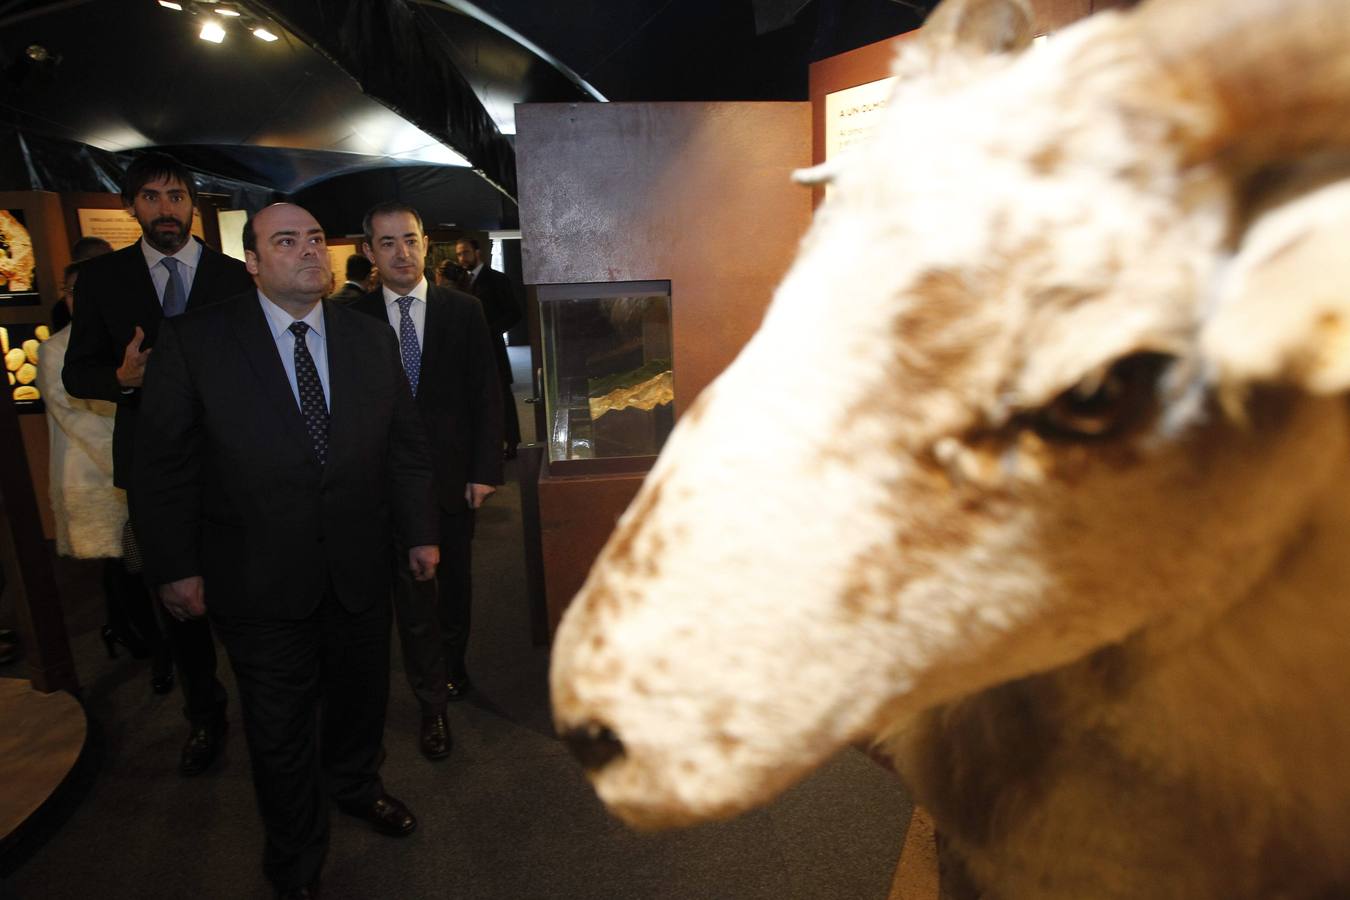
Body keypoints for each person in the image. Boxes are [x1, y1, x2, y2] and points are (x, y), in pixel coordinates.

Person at [134, 202, 439, 900]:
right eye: (285, 241)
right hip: (256, 579)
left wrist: (421, 531)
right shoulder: (197, 341)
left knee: (362, 699)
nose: (308, 252)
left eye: (313, 240)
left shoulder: (368, 340)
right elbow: (163, 467)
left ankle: (358, 786)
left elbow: (406, 447)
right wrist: (176, 566)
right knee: (278, 728)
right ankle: (295, 860)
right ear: (252, 263)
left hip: (360, 569)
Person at [63, 151, 254, 775]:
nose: (165, 209)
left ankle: (267, 707)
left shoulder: (233, 278)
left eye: (175, 197)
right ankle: (204, 715)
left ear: (191, 205)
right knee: (177, 597)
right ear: (131, 207)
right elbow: (76, 371)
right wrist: (119, 377)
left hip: (231, 461)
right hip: (151, 464)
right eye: (151, 197)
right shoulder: (103, 280)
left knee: (245, 588)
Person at [356, 203, 502, 753]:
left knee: (454, 586)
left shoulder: (462, 311)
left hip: (451, 478)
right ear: (369, 252)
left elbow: (486, 394)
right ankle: (430, 701)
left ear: (425, 245)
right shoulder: (352, 320)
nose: (402, 252)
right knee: (410, 594)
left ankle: (452, 664)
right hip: (382, 484)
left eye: (410, 240)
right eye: (387, 242)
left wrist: (485, 470)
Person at [38, 261, 171, 692]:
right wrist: (142, 463)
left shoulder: (125, 339)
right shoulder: (56, 350)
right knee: (124, 568)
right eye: (73, 291)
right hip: (98, 477)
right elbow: (78, 419)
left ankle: (139, 635)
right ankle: (147, 645)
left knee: (142, 565)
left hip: (138, 470)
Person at [455, 237, 522, 458]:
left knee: (502, 397)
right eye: (458, 254)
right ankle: (487, 447)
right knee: (477, 400)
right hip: (468, 353)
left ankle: (512, 443)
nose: (462, 258)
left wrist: (490, 331)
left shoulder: (496, 279)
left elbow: (514, 313)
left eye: (465, 253)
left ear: (477, 252)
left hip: (492, 349)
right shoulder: (461, 282)